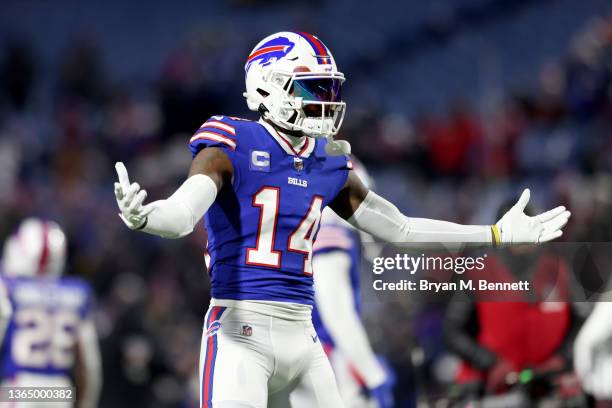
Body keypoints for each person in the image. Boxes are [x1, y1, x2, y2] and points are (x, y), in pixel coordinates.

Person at [113, 31, 571, 407]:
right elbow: (181, 215)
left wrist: (494, 233)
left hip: (304, 336)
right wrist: (146, 215)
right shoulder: (231, 142)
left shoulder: (327, 161)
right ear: (268, 87)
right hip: (239, 332)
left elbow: (402, 228)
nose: (326, 101)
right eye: (312, 88)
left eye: (329, 89)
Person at [0, 218, 102, 408]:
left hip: (18, 387)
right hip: (60, 390)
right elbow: (89, 364)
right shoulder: (77, 292)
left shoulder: (7, 288)